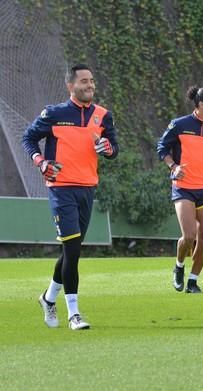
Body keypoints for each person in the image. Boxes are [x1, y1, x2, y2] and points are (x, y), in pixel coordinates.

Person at [22, 63, 119, 330]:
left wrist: (108, 147)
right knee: (73, 249)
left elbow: (113, 149)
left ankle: (48, 297)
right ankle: (74, 314)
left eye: (92, 81)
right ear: (71, 86)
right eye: (84, 81)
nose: (90, 85)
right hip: (60, 187)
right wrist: (41, 161)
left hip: (87, 189)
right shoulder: (54, 113)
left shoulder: (103, 115)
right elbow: (28, 138)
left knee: (71, 251)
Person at [157, 86, 203, 294]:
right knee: (189, 236)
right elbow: (162, 147)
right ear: (201, 104)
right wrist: (173, 167)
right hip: (183, 188)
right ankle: (179, 266)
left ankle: (193, 281)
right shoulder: (179, 125)